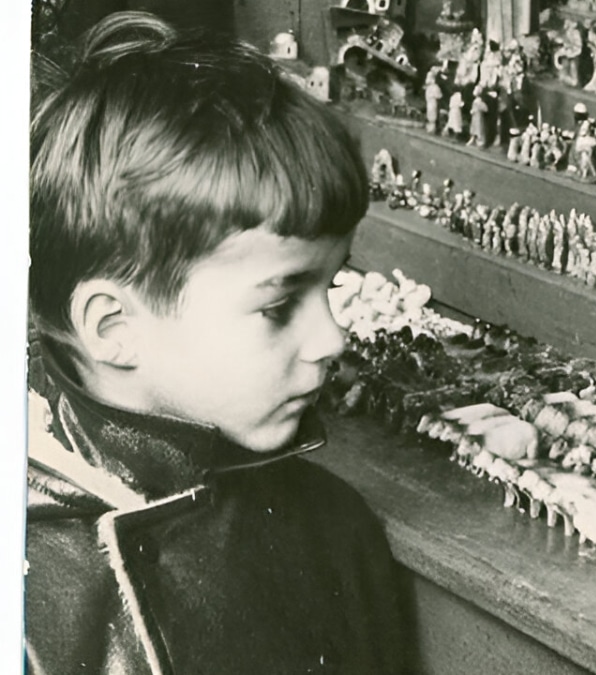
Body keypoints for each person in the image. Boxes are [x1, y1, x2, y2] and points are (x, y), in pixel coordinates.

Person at [26, 13, 409, 673]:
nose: (333, 337)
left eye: (333, 284)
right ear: (115, 328)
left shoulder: (336, 529)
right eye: (280, 304)